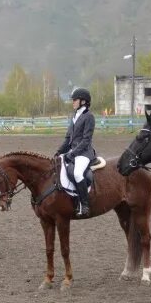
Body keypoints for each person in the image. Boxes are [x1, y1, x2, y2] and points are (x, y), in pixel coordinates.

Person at [56, 87, 97, 217]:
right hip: (73, 152)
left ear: (83, 101)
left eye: (75, 100)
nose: (73, 102)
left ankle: (84, 204)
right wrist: (58, 152)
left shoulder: (89, 117)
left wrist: (72, 154)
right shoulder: (74, 116)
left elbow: (86, 140)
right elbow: (68, 139)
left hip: (84, 153)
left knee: (78, 173)